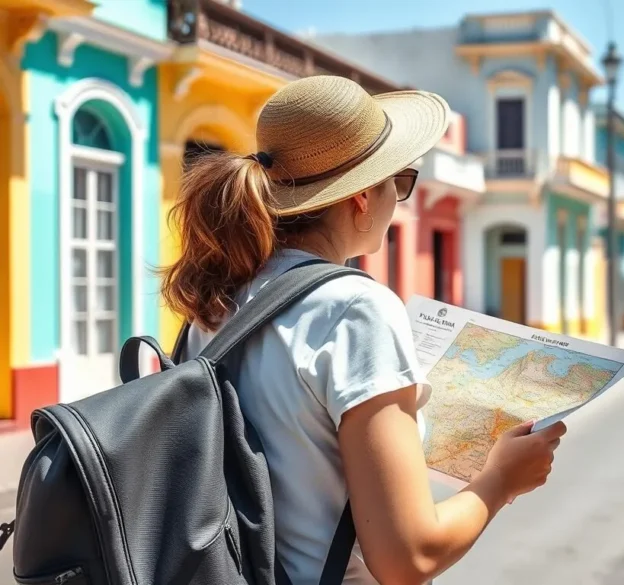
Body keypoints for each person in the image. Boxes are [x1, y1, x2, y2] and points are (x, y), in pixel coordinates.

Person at [161, 76, 567, 585]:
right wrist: (501, 480)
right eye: (400, 181)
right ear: (361, 197)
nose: (400, 199)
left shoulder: (214, 301)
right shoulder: (356, 308)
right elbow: (409, 558)